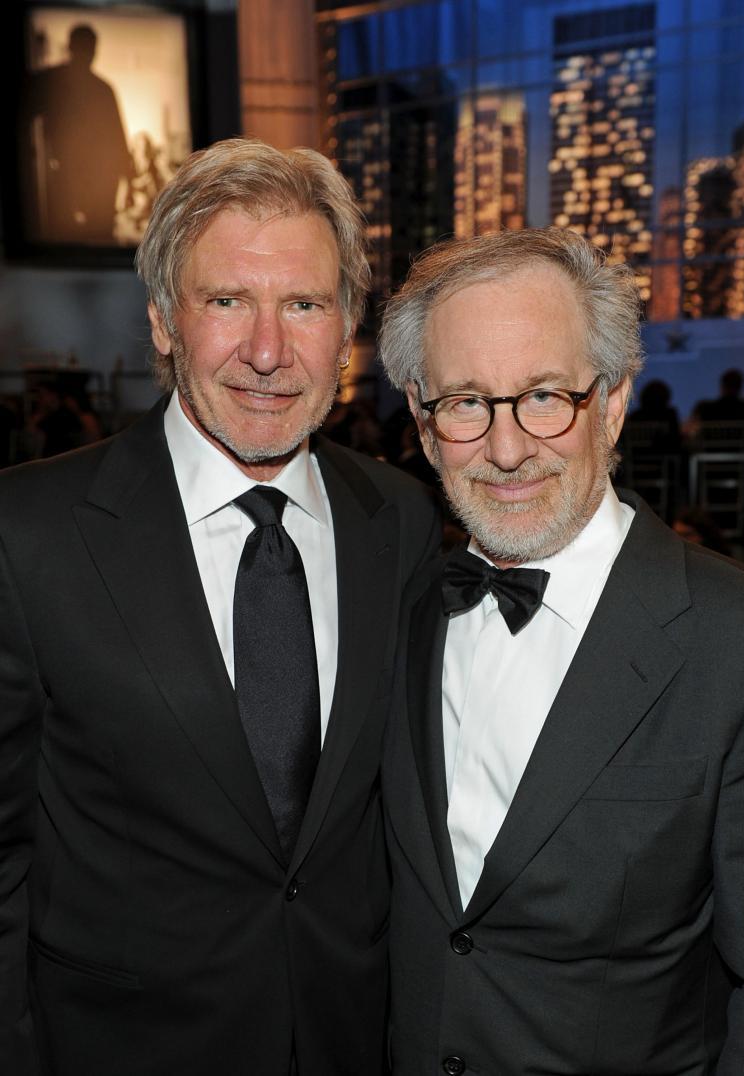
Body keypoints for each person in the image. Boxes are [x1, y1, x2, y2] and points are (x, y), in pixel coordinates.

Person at [0, 138, 441, 1076]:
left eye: (305, 305)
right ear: (163, 320)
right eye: (227, 301)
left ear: (349, 325)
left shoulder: (398, 519)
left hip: (346, 1038)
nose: (269, 351)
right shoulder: (27, 530)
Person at [378, 228, 744, 1076]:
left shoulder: (734, 642)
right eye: (467, 401)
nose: (507, 449)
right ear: (422, 422)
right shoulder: (398, 611)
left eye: (544, 395)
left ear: (613, 401)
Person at [22, 24, 133, 243]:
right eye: (86, 48)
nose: (88, 54)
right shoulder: (52, 83)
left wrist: (125, 180)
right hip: (68, 180)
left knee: (92, 240)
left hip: (94, 183)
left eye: (89, 49)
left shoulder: (101, 90)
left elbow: (118, 141)